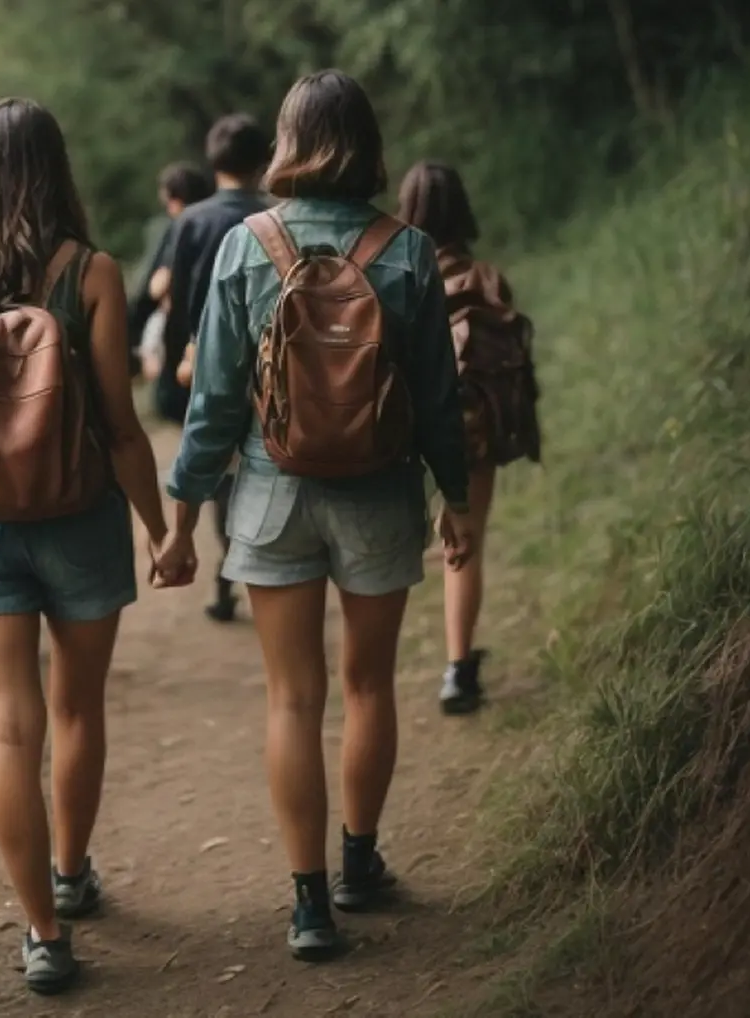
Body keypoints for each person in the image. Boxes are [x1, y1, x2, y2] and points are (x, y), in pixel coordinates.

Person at [159, 71, 474, 960]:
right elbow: (439, 401)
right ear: (369, 143)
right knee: (368, 687)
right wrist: (456, 498)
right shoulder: (407, 250)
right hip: (378, 494)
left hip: (269, 495)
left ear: (286, 145)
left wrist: (184, 515)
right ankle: (359, 864)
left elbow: (215, 403)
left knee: (294, 699)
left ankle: (307, 908)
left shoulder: (245, 246)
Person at [0, 98, 187, 996]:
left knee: (8, 730)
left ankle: (44, 931)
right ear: (55, 171)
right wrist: (160, 528)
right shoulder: (91, 272)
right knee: (76, 711)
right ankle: (71, 868)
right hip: (83, 521)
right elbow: (119, 424)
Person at [397, 160, 540, 715]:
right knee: (466, 544)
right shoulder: (487, 279)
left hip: (405, 436)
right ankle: (458, 671)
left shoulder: (396, 274)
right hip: (472, 431)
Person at [157, 112, 271, 622]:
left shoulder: (192, 221)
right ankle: (249, 563)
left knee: (217, 465)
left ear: (214, 160)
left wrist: (178, 360)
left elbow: (179, 302)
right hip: (271, 365)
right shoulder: (274, 219)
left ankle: (227, 569)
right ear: (263, 159)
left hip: (206, 362)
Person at [129, 162, 214, 382]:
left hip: (179, 324)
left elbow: (156, 286)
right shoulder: (221, 224)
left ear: (174, 199)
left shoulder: (174, 229)